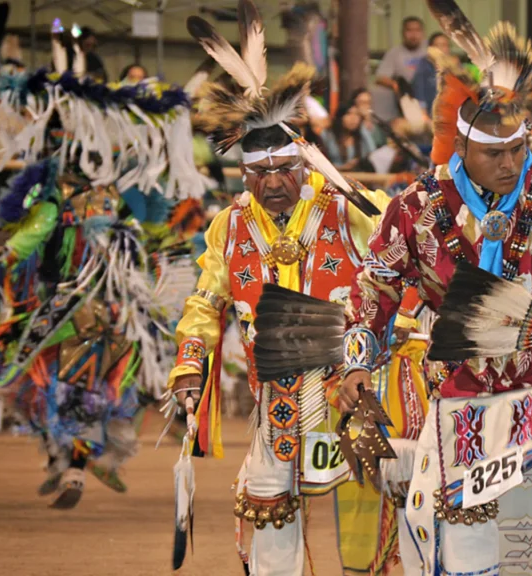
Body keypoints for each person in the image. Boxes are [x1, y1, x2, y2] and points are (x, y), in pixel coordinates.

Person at [333, 7, 532, 574]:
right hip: (465, 388)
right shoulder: (417, 211)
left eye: (517, 150)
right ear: (461, 148)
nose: (510, 165)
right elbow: (374, 288)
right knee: (466, 525)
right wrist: (356, 365)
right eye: (493, 154)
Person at [174, 3, 426, 573]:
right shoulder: (231, 225)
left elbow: (402, 249)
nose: (273, 184)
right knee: (267, 502)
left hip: (351, 391)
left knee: (378, 497)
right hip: (280, 400)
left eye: (284, 170)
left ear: (304, 165)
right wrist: (191, 364)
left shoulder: (344, 209)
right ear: (243, 174)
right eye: (259, 174)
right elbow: (205, 301)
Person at [0, 34, 208, 508]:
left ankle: (83, 463)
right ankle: (64, 457)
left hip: (109, 305)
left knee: (110, 383)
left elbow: (150, 232)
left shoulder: (124, 197)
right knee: (43, 384)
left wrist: (172, 254)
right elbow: (30, 235)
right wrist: (5, 265)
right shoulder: (54, 195)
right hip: (56, 301)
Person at [372, 16, 427, 121]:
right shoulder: (395, 53)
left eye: (417, 30)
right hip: (406, 99)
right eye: (409, 30)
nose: (413, 34)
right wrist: (397, 86)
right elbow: (380, 78)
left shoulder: (429, 51)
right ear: (402, 33)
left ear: (422, 33)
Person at [320, 102, 377, 172]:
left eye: (357, 115)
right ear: (341, 116)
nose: (353, 118)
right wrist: (342, 168)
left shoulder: (360, 137)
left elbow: (372, 151)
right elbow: (319, 162)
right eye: (349, 114)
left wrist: (362, 126)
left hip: (356, 177)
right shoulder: (327, 135)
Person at [412, 31, 450, 115]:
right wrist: (424, 115)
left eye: (444, 45)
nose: (441, 49)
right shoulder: (423, 66)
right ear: (430, 48)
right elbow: (419, 92)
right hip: (430, 114)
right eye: (437, 45)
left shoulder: (454, 67)